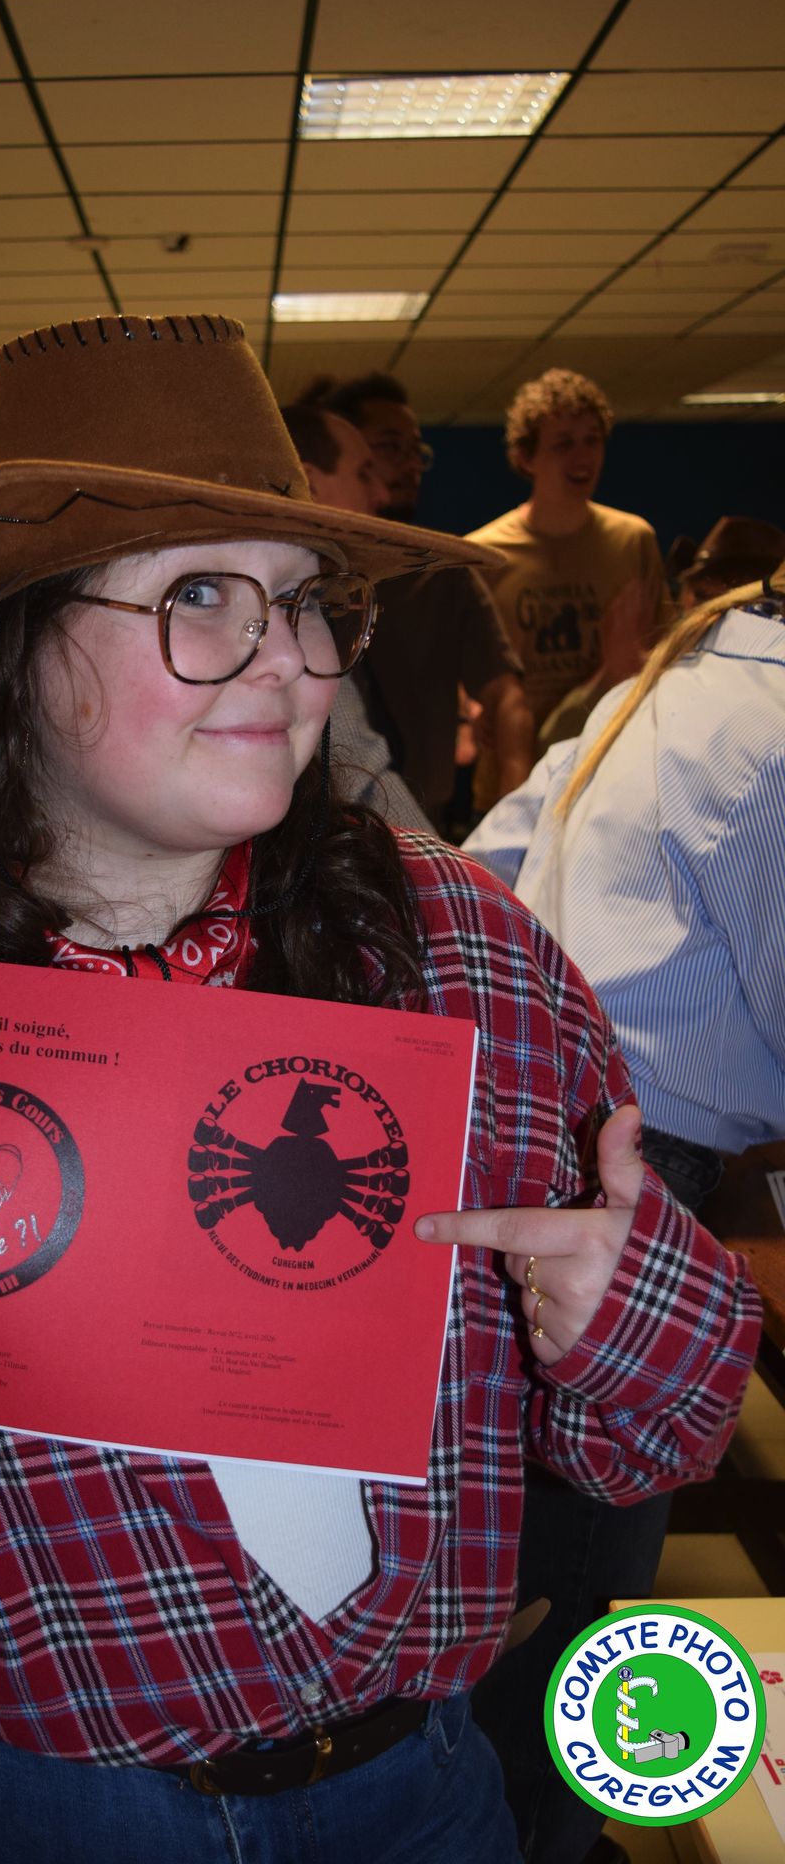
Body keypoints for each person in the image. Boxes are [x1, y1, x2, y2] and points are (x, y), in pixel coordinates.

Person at [0, 316, 758, 1864]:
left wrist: (622, 1311)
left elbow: (669, 1430)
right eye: (199, 596)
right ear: (6, 642)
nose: (288, 662)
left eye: (307, 601)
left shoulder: (460, 959)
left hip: (407, 1786)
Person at [464, 572, 785, 1864]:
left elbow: (479, 876)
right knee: (583, 1576)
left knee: (534, 1557)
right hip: (638, 1166)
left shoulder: (661, 687)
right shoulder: (769, 728)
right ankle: (541, 1832)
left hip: (528, 1131)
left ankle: (524, 1815)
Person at [306, 372, 533, 831]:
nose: (408, 467)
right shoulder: (297, 589)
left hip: (427, 821)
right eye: (388, 450)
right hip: (323, 832)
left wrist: (518, 809)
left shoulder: (441, 574)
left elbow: (505, 694)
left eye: (416, 451)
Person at [468, 369, 667, 770]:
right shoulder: (484, 553)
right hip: (515, 772)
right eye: (563, 444)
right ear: (527, 458)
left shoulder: (634, 540)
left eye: (592, 440)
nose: (583, 456)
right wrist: (471, 708)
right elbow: (462, 666)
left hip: (611, 761)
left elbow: (663, 647)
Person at [280, 401, 430, 831]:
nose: (381, 494)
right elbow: (361, 782)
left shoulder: (333, 602)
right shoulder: (299, 621)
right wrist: (449, 870)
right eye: (364, 474)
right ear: (309, 484)